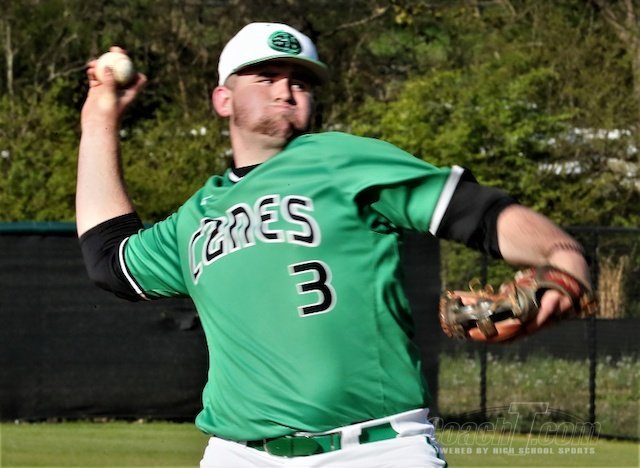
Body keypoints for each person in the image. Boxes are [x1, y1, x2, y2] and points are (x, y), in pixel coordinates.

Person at [76, 22, 591, 467]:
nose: (286, 90)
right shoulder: (195, 216)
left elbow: (477, 212)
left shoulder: (342, 159)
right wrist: (99, 118)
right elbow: (108, 260)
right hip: (238, 453)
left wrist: (563, 256)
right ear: (223, 99)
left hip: (378, 449)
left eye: (300, 81)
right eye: (266, 77)